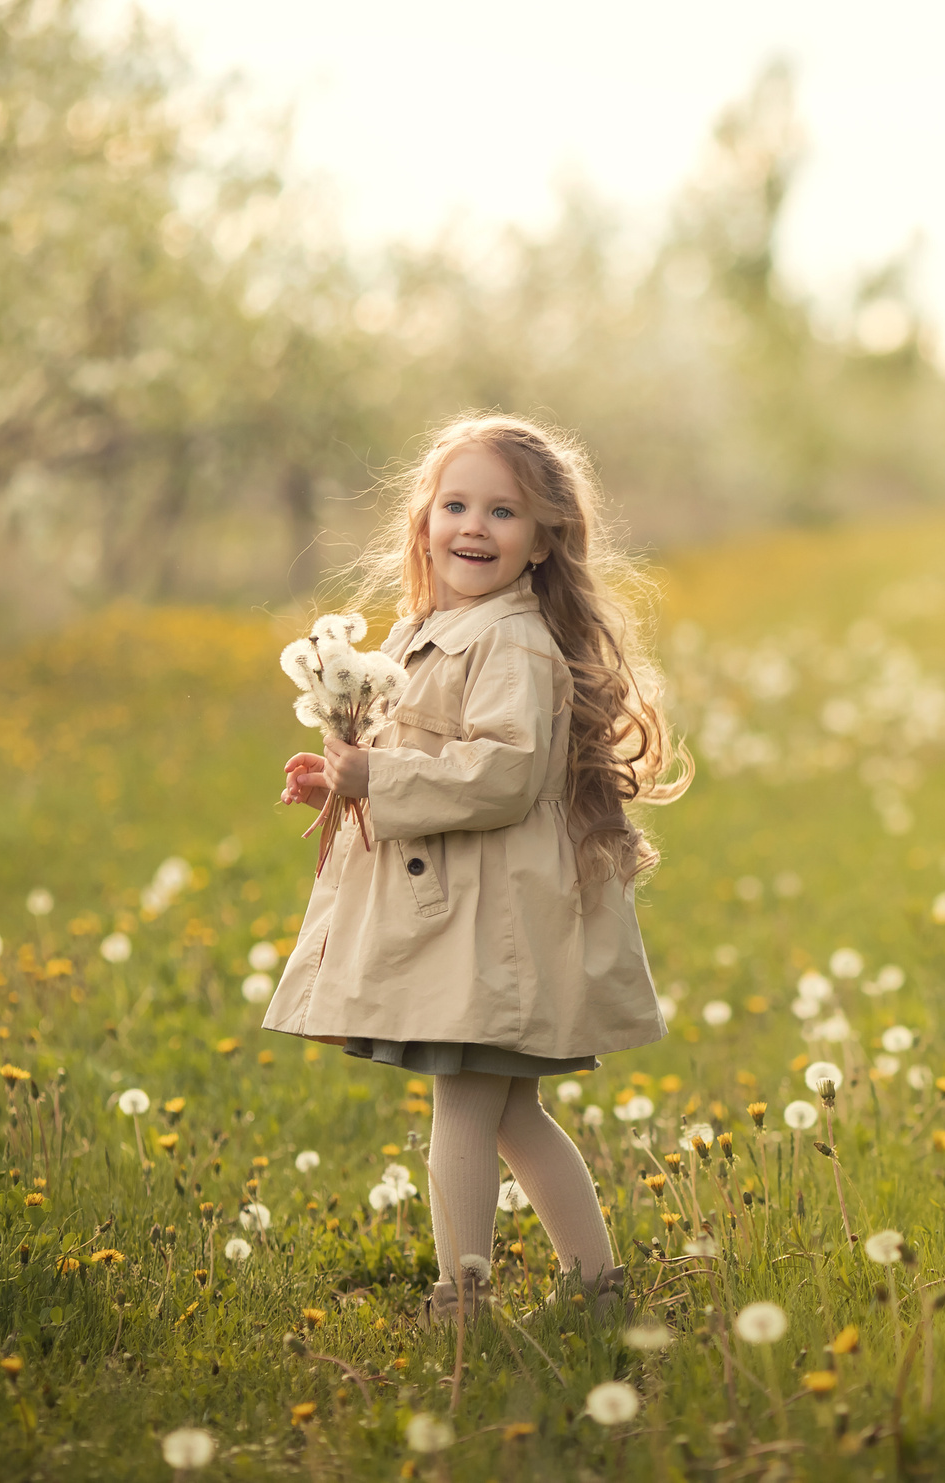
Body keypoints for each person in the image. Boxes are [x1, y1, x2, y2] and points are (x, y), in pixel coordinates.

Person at [264, 413, 688, 1322]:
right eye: (455, 504)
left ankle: (463, 1296)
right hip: (469, 910)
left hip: (492, 920)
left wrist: (382, 773)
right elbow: (434, 752)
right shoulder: (434, 628)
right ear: (424, 521)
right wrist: (350, 779)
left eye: (503, 511)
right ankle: (596, 1285)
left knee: (466, 1103)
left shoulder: (514, 641)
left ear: (544, 539)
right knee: (509, 1113)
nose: (473, 526)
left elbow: (500, 771)